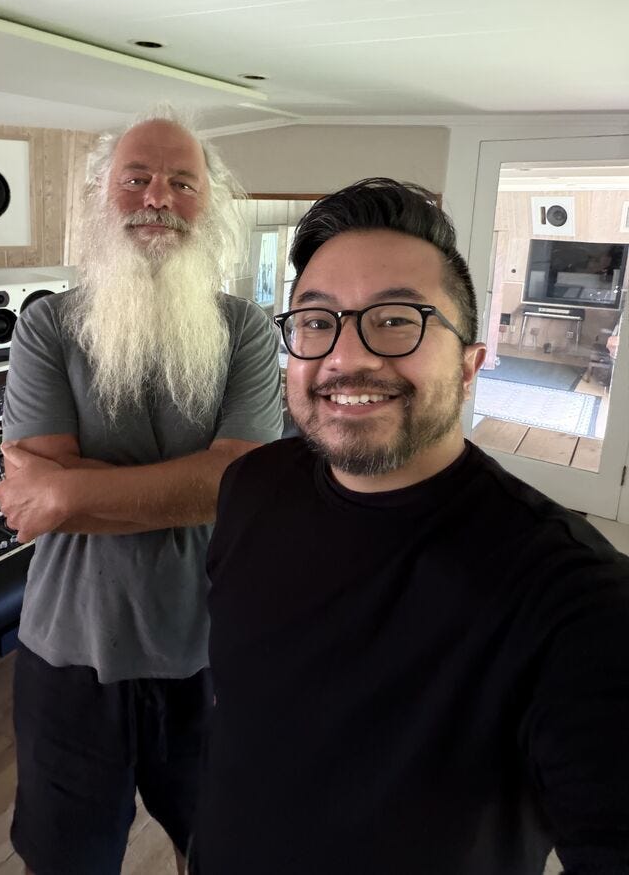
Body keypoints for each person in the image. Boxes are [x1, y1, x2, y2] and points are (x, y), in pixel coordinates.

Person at [191, 178, 629, 875]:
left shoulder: (575, 599)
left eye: (397, 319)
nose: (346, 357)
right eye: (317, 320)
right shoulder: (250, 486)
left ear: (469, 365)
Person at [0, 108, 283, 875]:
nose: (158, 197)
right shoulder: (47, 327)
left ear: (210, 204)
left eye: (182, 182)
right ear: (102, 194)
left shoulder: (247, 331)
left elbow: (241, 483)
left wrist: (68, 494)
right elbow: (34, 488)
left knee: (220, 847)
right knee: (67, 859)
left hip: (212, 653)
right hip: (69, 654)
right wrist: (195, 484)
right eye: (138, 178)